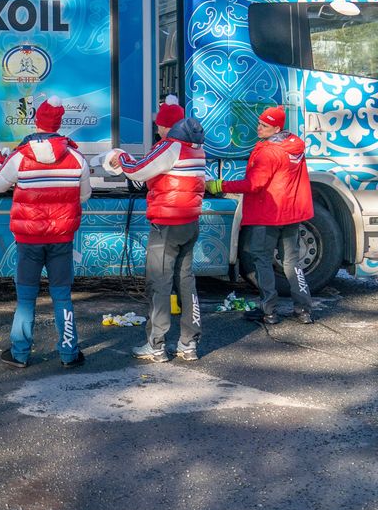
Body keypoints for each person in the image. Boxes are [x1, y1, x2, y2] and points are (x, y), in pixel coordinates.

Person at [0, 96, 91, 368]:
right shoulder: (77, 158)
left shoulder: (20, 157)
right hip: (61, 239)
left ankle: (20, 354)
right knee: (62, 295)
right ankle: (69, 354)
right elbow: (83, 196)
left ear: (37, 123)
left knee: (26, 297)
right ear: (58, 124)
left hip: (29, 240)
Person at [103, 96, 207, 362]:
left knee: (159, 283)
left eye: (159, 125)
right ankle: (189, 344)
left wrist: (119, 155)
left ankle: (157, 345)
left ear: (167, 126)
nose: (157, 129)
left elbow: (137, 170)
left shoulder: (170, 146)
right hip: (190, 221)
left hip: (167, 224)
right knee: (186, 282)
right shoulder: (196, 148)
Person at [206, 106, 315, 324]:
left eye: (264, 125)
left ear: (277, 128)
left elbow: (253, 184)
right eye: (259, 123)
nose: (259, 128)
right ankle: (303, 310)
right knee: (292, 262)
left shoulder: (269, 152)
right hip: (291, 214)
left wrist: (219, 185)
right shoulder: (294, 146)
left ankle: (269, 311)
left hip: (268, 215)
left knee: (262, 260)